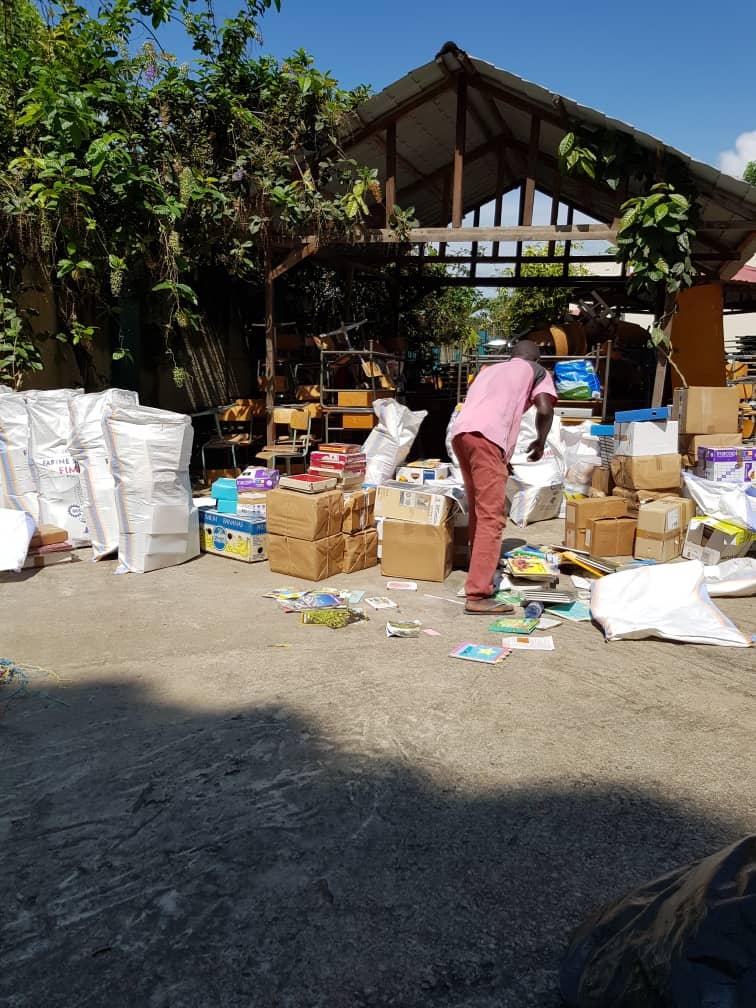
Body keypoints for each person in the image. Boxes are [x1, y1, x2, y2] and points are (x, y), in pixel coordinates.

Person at [452, 340, 557, 615]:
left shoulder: (489, 370)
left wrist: (502, 458)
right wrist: (540, 442)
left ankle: (478, 567)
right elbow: (545, 409)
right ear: (536, 358)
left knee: (479, 509)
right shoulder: (536, 370)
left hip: (461, 434)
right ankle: (477, 594)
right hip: (487, 439)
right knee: (492, 517)